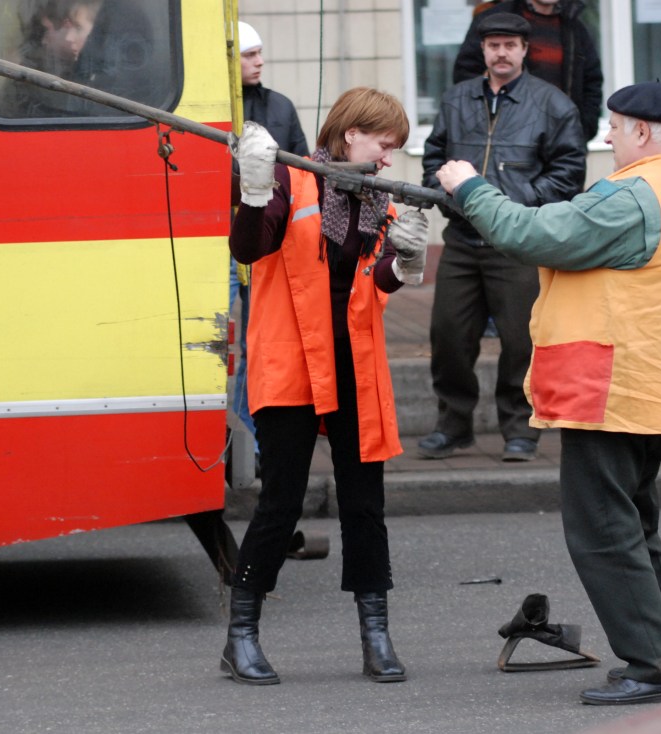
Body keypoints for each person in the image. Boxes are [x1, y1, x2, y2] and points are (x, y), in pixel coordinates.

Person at [434, 81, 661, 704]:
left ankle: (654, 666)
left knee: (603, 531)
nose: (609, 137)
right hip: (652, 386)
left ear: (644, 134)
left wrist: (469, 186)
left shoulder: (634, 195)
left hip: (616, 389)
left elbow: (531, 233)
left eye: (617, 127)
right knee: (634, 526)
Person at [221, 87, 427, 685]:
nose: (389, 159)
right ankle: (241, 637)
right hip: (292, 364)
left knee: (365, 504)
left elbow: (377, 282)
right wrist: (254, 193)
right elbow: (248, 248)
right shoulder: (291, 182)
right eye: (385, 145)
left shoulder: (376, 198)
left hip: (355, 366)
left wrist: (405, 263)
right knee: (280, 504)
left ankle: (376, 636)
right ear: (349, 135)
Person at [419, 12, 585, 462]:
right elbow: (435, 157)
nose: (502, 53)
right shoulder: (456, 100)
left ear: (525, 50)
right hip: (462, 240)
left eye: (510, 45)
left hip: (519, 243)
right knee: (448, 336)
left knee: (521, 341)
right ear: (482, 50)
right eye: (494, 45)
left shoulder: (552, 104)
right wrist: (446, 196)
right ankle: (453, 427)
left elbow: (569, 172)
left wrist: (519, 202)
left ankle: (520, 430)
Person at [229, 21, 311, 469]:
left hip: (265, 235)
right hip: (220, 237)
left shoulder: (279, 106)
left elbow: (300, 170)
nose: (259, 61)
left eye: (260, 53)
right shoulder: (215, 107)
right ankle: (224, 435)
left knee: (262, 340)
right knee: (218, 344)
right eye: (249, 55)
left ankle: (254, 439)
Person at [452, 0, 603, 141]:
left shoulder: (574, 26)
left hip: (561, 140)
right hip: (508, 143)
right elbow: (466, 76)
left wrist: (582, 129)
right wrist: (490, 125)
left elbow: (592, 81)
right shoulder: (495, 20)